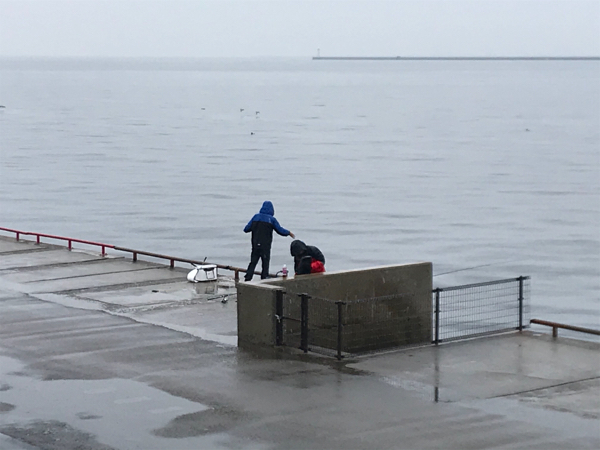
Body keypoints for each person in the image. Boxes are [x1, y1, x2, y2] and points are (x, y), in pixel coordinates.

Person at [243, 201, 295, 281]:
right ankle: (264, 276)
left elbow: (246, 229)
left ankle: (248, 277)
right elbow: (280, 230)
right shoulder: (271, 219)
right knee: (265, 262)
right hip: (265, 245)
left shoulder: (255, 217)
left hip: (255, 244)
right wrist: (288, 233)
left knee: (253, 261)